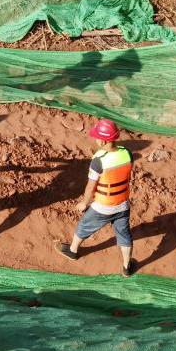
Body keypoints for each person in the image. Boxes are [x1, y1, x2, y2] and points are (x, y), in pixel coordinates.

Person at [56, 118, 136, 277]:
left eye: (97, 136)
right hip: (123, 204)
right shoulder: (126, 153)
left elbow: (90, 186)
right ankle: (127, 267)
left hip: (103, 206)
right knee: (125, 235)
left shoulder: (99, 160)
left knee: (83, 225)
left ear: (104, 139)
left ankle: (72, 251)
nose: (95, 139)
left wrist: (84, 203)